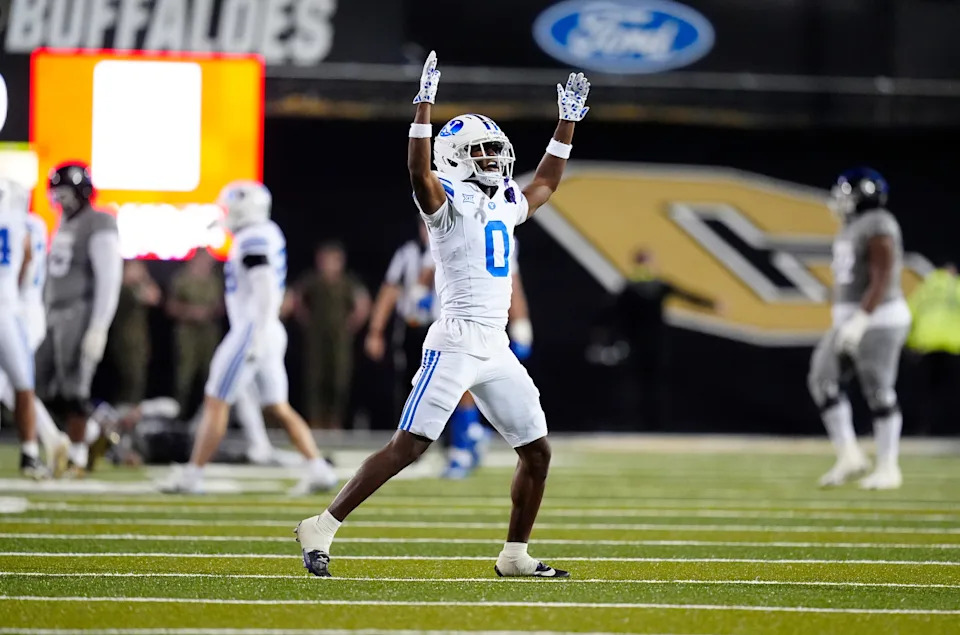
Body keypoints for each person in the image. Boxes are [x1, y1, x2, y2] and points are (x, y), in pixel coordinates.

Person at [296, 51, 590, 578]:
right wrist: (423, 109)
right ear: (453, 157)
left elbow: (543, 184)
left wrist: (566, 125)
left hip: (494, 346)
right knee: (408, 445)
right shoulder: (445, 204)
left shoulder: (502, 201)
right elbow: (417, 170)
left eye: (496, 150)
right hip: (454, 341)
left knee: (537, 453)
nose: (494, 160)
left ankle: (514, 555)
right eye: (480, 151)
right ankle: (321, 525)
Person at [159, 181, 337, 495]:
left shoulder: (253, 236)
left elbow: (265, 286)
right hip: (265, 330)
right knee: (278, 407)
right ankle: (319, 469)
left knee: (216, 401)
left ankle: (192, 476)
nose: (226, 214)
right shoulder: (262, 233)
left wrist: (254, 334)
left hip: (252, 330)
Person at [808, 167, 910, 490]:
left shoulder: (879, 224)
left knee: (879, 390)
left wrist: (861, 320)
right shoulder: (851, 226)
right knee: (822, 379)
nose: (840, 199)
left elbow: (883, 277)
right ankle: (849, 454)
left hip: (879, 318)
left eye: (846, 193)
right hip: (852, 318)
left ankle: (888, 466)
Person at [36, 162, 123, 477]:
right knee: (44, 387)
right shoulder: (64, 223)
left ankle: (78, 456)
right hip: (54, 312)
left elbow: (109, 278)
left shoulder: (98, 222)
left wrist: (99, 326)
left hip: (79, 311)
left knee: (75, 390)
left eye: (65, 192)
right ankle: (93, 436)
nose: (60, 199)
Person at [614, 248, 720, 430]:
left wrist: (710, 303)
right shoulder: (651, 285)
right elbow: (687, 295)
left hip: (642, 344)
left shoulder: (631, 287)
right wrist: (712, 304)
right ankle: (651, 424)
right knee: (647, 385)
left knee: (645, 385)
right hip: (647, 344)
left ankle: (644, 424)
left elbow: (615, 313)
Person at [292, 241, 371, 429]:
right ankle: (315, 424)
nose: (328, 264)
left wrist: (352, 324)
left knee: (339, 381)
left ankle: (335, 424)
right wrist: (306, 320)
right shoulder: (312, 280)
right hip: (316, 339)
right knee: (315, 380)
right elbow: (296, 299)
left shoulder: (347, 282)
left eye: (333, 260)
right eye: (324, 260)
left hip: (340, 339)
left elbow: (363, 303)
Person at [364, 221, 437, 421]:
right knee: (410, 380)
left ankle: (449, 438)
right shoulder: (407, 253)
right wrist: (375, 331)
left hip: (442, 327)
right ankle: (408, 432)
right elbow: (389, 291)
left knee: (443, 382)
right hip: (413, 328)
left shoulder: (454, 251)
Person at [0, 178, 46, 478]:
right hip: (7, 307)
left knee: (21, 384)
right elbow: (26, 265)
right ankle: (30, 453)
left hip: (10, 307)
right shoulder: (23, 222)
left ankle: (31, 451)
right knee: (22, 384)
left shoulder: (20, 222)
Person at [903, 262, 960, 435]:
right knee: (953, 391)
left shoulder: (924, 288)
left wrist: (910, 344)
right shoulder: (957, 287)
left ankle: (926, 430)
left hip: (926, 345)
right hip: (953, 345)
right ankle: (952, 429)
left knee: (928, 393)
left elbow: (908, 315)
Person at [167, 250, 223, 417]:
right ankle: (178, 414)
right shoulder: (182, 278)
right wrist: (190, 312)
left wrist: (209, 312)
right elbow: (170, 306)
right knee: (184, 377)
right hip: (187, 334)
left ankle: (209, 417)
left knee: (211, 376)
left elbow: (222, 306)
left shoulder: (214, 280)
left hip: (209, 334)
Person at [107, 260, 162, 409]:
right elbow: (149, 297)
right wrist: (142, 279)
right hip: (125, 343)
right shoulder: (124, 289)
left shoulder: (135, 287)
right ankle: (123, 415)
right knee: (130, 381)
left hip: (139, 342)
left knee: (138, 382)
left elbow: (156, 296)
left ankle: (130, 415)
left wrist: (144, 277)